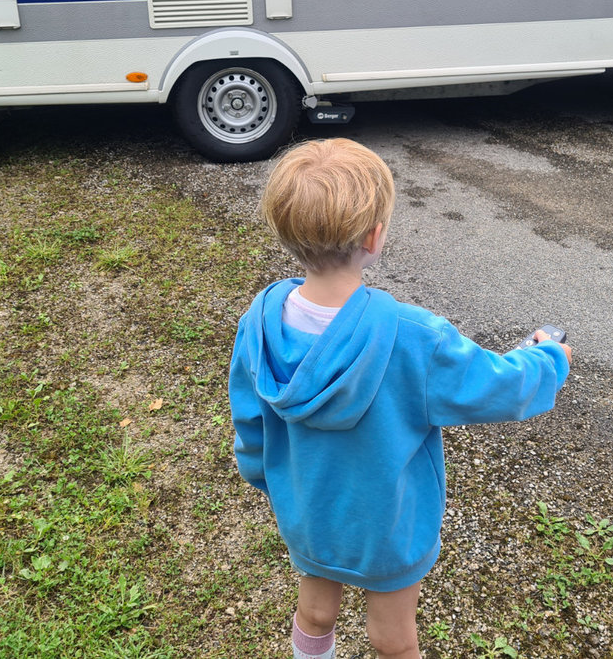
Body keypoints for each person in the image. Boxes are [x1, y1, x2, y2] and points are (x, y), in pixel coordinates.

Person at [229, 138, 571, 659]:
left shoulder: (259, 321)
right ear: (375, 235)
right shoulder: (414, 336)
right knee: (392, 637)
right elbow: (499, 384)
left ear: (285, 231)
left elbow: (249, 420)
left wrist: (268, 478)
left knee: (316, 612)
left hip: (307, 508)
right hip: (389, 523)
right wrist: (550, 359)